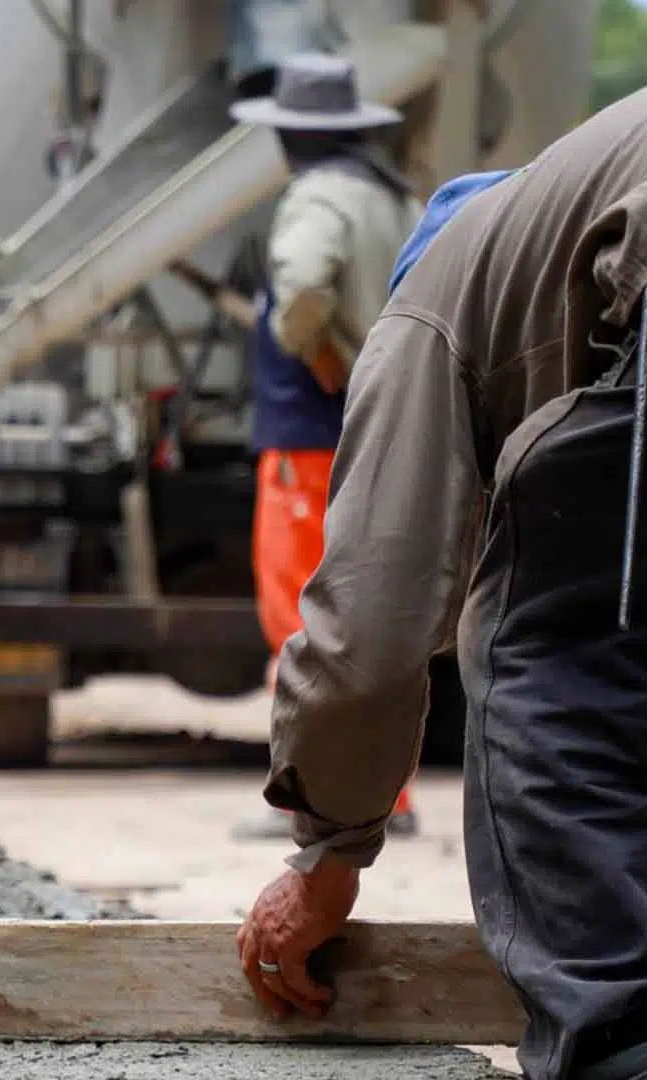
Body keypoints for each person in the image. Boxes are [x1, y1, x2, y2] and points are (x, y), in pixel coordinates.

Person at [234, 58, 647, 1080]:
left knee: (546, 671)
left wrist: (328, 852)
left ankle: (616, 1051)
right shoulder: (546, 232)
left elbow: (370, 624)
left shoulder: (432, 304)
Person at [228, 53, 423, 843]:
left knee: (300, 620)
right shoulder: (394, 198)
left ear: (289, 136)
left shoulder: (316, 197)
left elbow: (305, 288)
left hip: (310, 438)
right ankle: (387, 796)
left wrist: (309, 347)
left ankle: (312, 799)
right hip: (378, 432)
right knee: (371, 622)